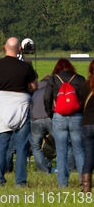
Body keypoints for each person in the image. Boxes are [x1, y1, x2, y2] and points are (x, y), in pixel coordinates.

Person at [0, 37, 37, 187]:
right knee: (22, 147)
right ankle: (20, 182)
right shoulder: (25, 67)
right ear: (19, 48)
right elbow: (34, 86)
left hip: (3, 105)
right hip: (22, 106)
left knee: (1, 146)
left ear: (5, 48)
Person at [44, 58, 85, 188]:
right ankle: (84, 181)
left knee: (61, 151)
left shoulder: (53, 79)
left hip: (59, 117)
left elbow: (47, 98)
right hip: (77, 117)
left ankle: (62, 183)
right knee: (79, 150)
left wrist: (51, 114)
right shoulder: (80, 79)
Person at [29, 75, 54, 173]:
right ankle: (68, 168)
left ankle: (43, 171)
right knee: (63, 144)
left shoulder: (35, 91)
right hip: (50, 118)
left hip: (36, 119)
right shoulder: (53, 90)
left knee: (35, 146)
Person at [79, 60, 94, 193]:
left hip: (87, 124)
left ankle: (86, 188)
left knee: (88, 157)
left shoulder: (84, 86)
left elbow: (80, 105)